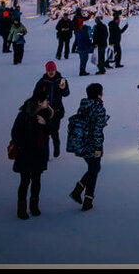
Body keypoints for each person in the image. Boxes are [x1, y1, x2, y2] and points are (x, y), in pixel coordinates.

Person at [10, 86, 53, 219]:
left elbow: (51, 130)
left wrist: (45, 123)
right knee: (24, 181)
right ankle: (22, 208)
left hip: (39, 153)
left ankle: (34, 206)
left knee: (36, 180)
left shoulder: (46, 114)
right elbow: (15, 133)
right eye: (46, 101)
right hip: (26, 153)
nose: (47, 103)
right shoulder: (24, 115)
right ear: (39, 102)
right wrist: (23, 147)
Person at [67, 82, 109, 212]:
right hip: (92, 144)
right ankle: (85, 198)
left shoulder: (84, 105)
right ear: (98, 94)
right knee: (94, 170)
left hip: (82, 143)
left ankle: (82, 193)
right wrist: (97, 148)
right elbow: (96, 129)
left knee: (94, 169)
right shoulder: (98, 108)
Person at [38, 61, 71, 157]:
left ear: (56, 70)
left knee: (54, 131)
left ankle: (56, 149)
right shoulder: (42, 82)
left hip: (57, 110)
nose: (51, 72)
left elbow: (66, 93)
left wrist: (63, 88)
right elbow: (36, 94)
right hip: (44, 110)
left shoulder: (61, 80)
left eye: (53, 70)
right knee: (44, 133)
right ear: (46, 71)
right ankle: (46, 154)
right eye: (49, 70)